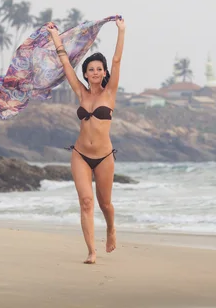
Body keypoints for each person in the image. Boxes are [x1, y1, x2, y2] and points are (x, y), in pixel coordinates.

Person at [47, 16, 126, 264]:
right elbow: (66, 66)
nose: (95, 72)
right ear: (86, 73)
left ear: (104, 73)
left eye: (98, 69)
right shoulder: (80, 92)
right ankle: (91, 251)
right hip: (80, 154)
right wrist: (55, 38)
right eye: (90, 69)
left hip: (104, 157)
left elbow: (116, 59)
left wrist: (121, 31)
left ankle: (111, 229)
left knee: (105, 204)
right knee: (86, 201)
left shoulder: (110, 92)